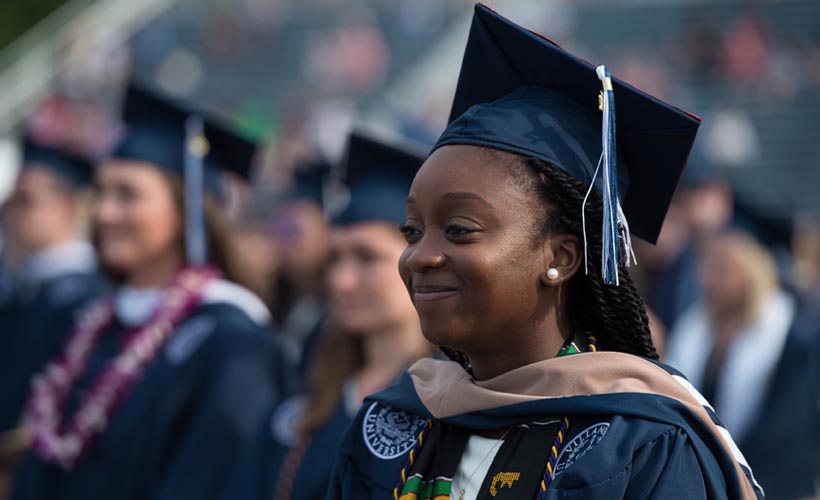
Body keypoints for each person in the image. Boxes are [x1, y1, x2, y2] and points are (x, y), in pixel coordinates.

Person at [328, 5, 762, 500]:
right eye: (412, 231)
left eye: (459, 229)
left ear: (561, 257)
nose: (419, 257)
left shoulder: (641, 443)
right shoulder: (386, 428)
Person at [8, 83, 282, 500]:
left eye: (127, 194)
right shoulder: (97, 329)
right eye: (102, 193)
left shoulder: (231, 342)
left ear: (188, 209)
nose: (104, 213)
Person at [223, 131, 432, 500]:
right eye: (334, 259)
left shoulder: (449, 397)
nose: (341, 281)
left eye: (367, 258)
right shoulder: (314, 379)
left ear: (422, 259)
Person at [666, 231, 820, 500]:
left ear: (750, 273)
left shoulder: (789, 330)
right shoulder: (696, 327)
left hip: (775, 479)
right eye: (707, 268)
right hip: (713, 471)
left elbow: (789, 421)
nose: (708, 279)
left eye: (722, 269)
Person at [0, 139, 105, 436]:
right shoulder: (19, 288)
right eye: (9, 202)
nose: (9, 215)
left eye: (25, 201)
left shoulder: (88, 300)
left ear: (68, 207)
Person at [268, 157, 332, 380]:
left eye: (293, 231)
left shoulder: (338, 316)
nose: (282, 241)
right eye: (278, 229)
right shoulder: (271, 298)